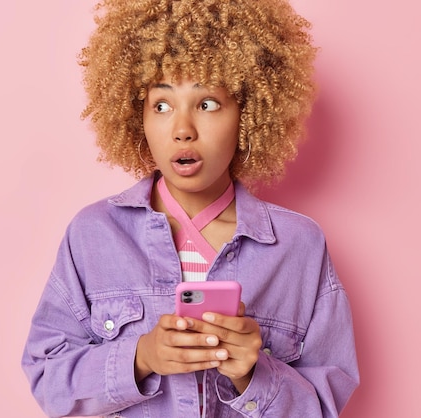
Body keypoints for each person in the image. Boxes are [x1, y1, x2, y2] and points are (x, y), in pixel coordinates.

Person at [21, 0, 359, 416]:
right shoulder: (93, 235)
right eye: (161, 106)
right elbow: (47, 380)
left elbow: (324, 407)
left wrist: (252, 374)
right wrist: (141, 357)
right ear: (136, 117)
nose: (182, 130)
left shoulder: (298, 247)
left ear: (248, 115)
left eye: (207, 104)